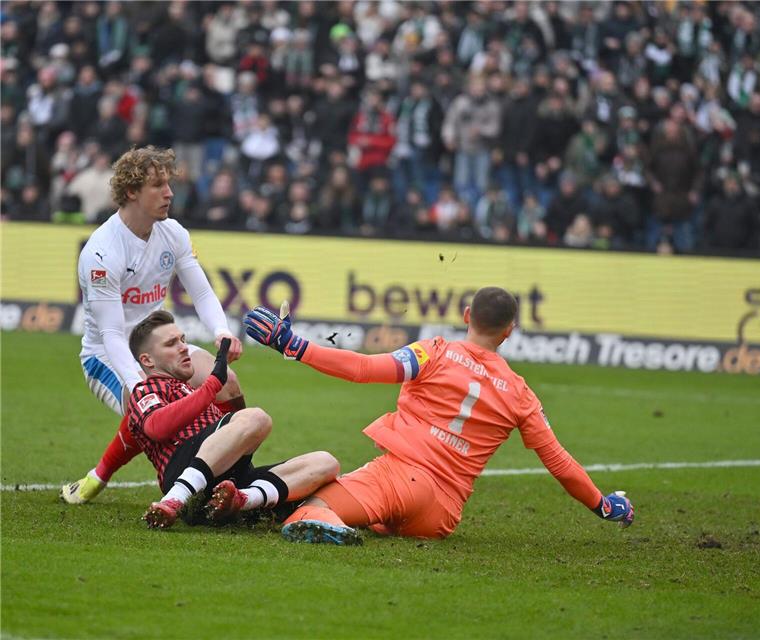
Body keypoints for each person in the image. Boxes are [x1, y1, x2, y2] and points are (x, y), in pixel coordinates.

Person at [243, 287, 634, 545]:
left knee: (310, 508)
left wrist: (292, 345)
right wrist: (604, 504)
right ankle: (369, 519)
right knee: (382, 521)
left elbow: (362, 369)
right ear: (510, 330)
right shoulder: (521, 393)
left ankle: (328, 522)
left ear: (467, 315)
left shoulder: (435, 352)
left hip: (399, 477)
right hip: (440, 515)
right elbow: (559, 462)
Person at [61, 146, 245, 505]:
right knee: (146, 407)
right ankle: (99, 477)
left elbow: (202, 292)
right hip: (107, 356)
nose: (169, 193)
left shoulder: (172, 233)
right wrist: (140, 386)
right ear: (131, 192)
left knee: (228, 384)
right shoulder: (101, 252)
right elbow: (113, 334)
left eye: (169, 184)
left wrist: (222, 331)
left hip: (158, 344)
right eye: (158, 185)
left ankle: (231, 470)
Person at [127, 311, 339, 530]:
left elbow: (238, 426)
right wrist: (212, 384)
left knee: (326, 463)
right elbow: (157, 427)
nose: (183, 347)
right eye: (171, 343)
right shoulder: (146, 389)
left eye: (183, 340)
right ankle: (177, 498)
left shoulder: (192, 391)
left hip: (226, 484)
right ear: (147, 360)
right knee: (257, 417)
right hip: (182, 469)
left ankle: (242, 501)